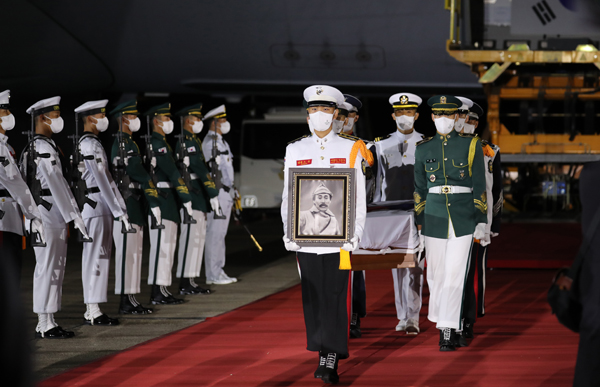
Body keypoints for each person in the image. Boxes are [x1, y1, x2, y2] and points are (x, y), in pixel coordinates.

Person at [281, 85, 367, 384]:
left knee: (336, 293)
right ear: (308, 114)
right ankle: (319, 346)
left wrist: (355, 233)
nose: (321, 115)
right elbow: (288, 195)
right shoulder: (295, 149)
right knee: (312, 295)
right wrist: (288, 231)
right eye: (315, 109)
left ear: (336, 114)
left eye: (327, 109)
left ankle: (330, 354)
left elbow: (357, 197)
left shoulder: (351, 148)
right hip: (304, 237)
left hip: (339, 238)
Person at [413, 95, 487, 351]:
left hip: (464, 215)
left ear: (457, 117)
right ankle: (448, 323)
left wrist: (481, 219)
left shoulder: (472, 145)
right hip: (433, 215)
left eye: (449, 115)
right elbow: (419, 189)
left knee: (456, 274)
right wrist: (419, 221)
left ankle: (447, 329)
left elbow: (480, 186)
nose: (444, 119)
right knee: (435, 274)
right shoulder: (423, 148)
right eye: (439, 114)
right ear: (432, 117)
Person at [21, 96, 91, 339]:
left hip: (54, 210)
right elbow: (55, 184)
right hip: (44, 211)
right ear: (43, 118)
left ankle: (50, 318)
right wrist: (74, 216)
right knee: (47, 266)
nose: (58, 120)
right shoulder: (40, 148)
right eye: (55, 114)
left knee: (56, 267)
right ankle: (43, 321)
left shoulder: (48, 146)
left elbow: (62, 184)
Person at [75, 99, 133, 326]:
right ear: (90, 118)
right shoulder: (90, 145)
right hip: (95, 204)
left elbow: (107, 180)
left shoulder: (94, 143)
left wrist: (119, 209)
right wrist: (118, 210)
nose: (104, 119)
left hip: (102, 205)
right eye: (100, 115)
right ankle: (92, 308)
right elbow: (101, 180)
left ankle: (95, 307)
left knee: (101, 257)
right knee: (94, 258)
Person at [372, 92, 425, 335]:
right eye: (401, 112)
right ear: (393, 115)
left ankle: (413, 317)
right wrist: (375, 211)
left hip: (416, 211)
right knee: (396, 266)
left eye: (410, 112)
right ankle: (402, 316)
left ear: (416, 115)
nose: (405, 117)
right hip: (391, 211)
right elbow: (377, 181)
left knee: (415, 266)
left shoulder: (426, 143)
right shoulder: (380, 145)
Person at [456, 100, 503, 339]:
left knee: (474, 272)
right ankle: (452, 320)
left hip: (478, 221)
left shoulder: (489, 150)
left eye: (473, 120)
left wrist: (493, 223)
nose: (469, 123)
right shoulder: (446, 147)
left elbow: (497, 187)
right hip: (451, 220)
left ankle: (469, 320)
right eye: (465, 118)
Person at [110, 100, 160, 314]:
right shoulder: (122, 143)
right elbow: (135, 171)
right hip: (126, 202)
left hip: (134, 202)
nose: (136, 120)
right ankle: (125, 300)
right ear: (124, 119)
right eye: (132, 116)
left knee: (135, 253)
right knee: (127, 254)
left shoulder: (130, 142)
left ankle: (131, 297)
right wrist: (148, 178)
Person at [144, 102, 194, 304]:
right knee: (162, 247)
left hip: (167, 200)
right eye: (166, 118)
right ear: (156, 121)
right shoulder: (158, 144)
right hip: (162, 199)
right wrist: (186, 197)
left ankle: (162, 289)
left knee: (168, 246)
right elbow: (172, 173)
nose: (170, 122)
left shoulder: (162, 143)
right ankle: (158, 291)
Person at [174, 103, 221, 295]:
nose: (200, 122)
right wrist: (212, 192)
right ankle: (186, 281)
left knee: (197, 239)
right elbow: (200, 170)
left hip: (198, 194)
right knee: (190, 239)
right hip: (192, 193)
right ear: (187, 120)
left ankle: (191, 279)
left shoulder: (193, 140)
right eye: (196, 118)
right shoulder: (187, 141)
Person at [0, 90, 46, 283]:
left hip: (9, 216)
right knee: (8, 272)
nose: (8, 114)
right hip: (4, 219)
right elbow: (15, 183)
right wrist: (34, 214)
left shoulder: (5, 146)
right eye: (4, 110)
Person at [201, 105, 238, 285]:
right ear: (214, 122)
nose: (225, 123)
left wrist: (233, 189)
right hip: (217, 192)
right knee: (214, 234)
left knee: (221, 234)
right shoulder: (210, 143)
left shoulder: (222, 142)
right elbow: (210, 171)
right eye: (222, 120)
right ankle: (212, 274)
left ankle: (219, 270)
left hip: (226, 192)